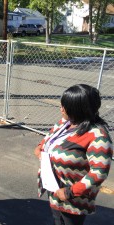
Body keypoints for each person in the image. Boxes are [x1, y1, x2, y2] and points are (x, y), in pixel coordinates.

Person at [34, 84, 113, 225]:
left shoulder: (97, 136)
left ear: (77, 109)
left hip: (73, 199)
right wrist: (40, 147)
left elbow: (99, 172)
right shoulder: (65, 123)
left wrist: (70, 192)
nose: (61, 109)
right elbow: (49, 139)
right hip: (55, 190)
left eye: (65, 106)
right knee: (58, 221)